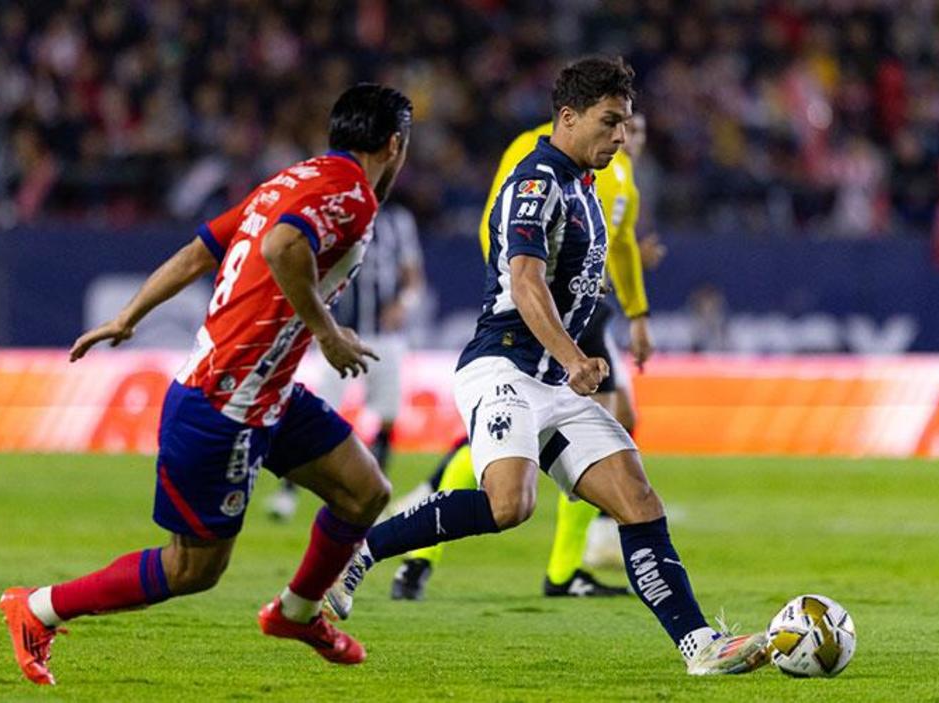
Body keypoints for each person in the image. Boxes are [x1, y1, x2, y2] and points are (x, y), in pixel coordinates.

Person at [327, 57, 769, 676]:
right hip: (502, 368)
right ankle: (361, 550)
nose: (621, 137)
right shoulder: (536, 182)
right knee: (509, 504)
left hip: (550, 380)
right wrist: (573, 357)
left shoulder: (587, 188)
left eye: (626, 123)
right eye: (610, 122)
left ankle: (700, 646)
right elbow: (526, 280)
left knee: (637, 499)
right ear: (567, 117)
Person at [0, 83, 413, 685]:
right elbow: (280, 246)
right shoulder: (352, 195)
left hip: (268, 393)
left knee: (364, 492)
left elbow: (200, 253)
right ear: (395, 145)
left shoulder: (292, 179)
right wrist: (326, 331)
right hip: (225, 404)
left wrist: (128, 316)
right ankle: (37, 608)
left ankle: (296, 614)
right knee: (193, 569)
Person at [387, 111, 656, 600]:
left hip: (586, 310)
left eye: (634, 129)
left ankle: (558, 569)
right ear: (579, 116)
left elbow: (619, 250)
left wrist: (637, 314)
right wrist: (514, 282)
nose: (627, 137)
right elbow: (504, 217)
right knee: (541, 442)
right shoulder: (537, 153)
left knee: (594, 423)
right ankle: (428, 557)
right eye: (618, 124)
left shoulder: (617, 181)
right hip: (539, 311)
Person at [266, 202, 425, 522]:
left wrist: (403, 304)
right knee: (317, 413)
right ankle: (287, 495)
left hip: (385, 336)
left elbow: (412, 275)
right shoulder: (339, 215)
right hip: (337, 336)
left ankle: (375, 496)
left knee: (388, 416)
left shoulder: (398, 220)